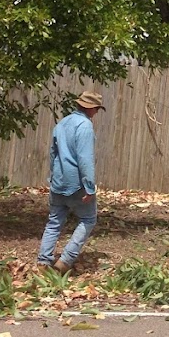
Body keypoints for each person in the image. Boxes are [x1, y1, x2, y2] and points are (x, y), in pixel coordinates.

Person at [38, 89, 105, 272]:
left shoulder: (62, 123)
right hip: (76, 183)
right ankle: (65, 261)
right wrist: (89, 187)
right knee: (88, 219)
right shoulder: (84, 126)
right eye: (97, 109)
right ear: (91, 109)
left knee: (54, 221)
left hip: (58, 181)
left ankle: (43, 261)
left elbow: (53, 154)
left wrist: (53, 177)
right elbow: (85, 159)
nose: (96, 113)